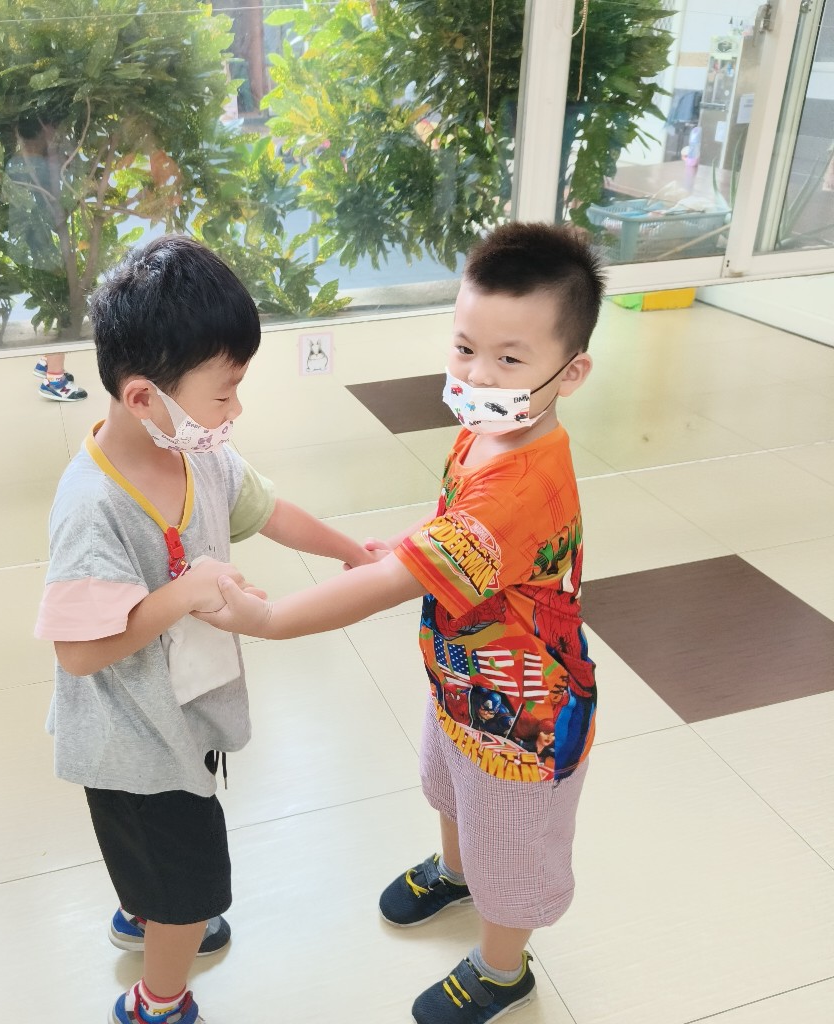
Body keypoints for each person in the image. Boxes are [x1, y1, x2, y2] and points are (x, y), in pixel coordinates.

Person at [198, 222, 604, 1024]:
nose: (477, 374)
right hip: (464, 678)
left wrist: (270, 618)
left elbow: (393, 582)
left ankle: (502, 969)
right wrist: (421, 544)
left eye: (509, 360)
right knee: (450, 785)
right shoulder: (491, 432)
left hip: (523, 717)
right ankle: (457, 873)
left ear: (573, 371)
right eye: (464, 348)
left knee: (508, 847)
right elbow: (451, 528)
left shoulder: (519, 487)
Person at [33, 235, 373, 1024]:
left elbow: (267, 509)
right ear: (144, 398)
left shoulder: (199, 452)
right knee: (190, 890)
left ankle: (145, 910)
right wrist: (182, 593)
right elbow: (77, 652)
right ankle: (158, 996)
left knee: (157, 864)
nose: (235, 412)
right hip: (132, 742)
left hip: (183, 712)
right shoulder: (92, 508)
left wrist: (351, 551)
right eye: (225, 393)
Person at [6, 114, 88, 401]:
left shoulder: (15, 162)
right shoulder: (42, 167)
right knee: (63, 307)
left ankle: (45, 362)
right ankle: (54, 379)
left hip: (29, 246)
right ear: (42, 132)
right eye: (53, 131)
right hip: (43, 246)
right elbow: (56, 203)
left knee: (51, 300)